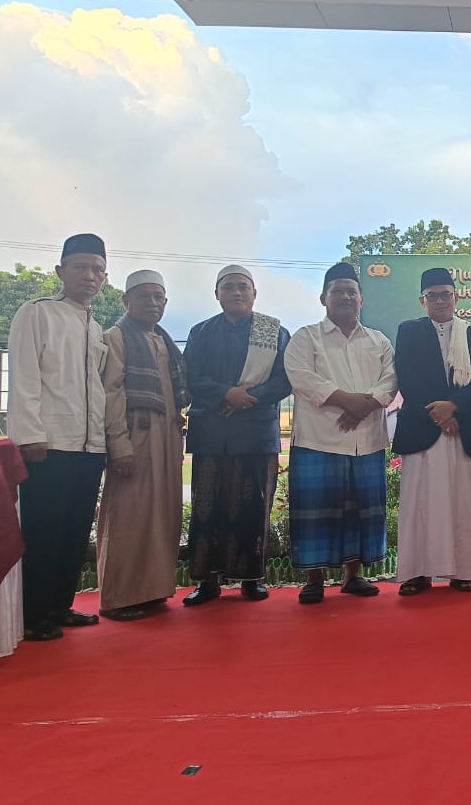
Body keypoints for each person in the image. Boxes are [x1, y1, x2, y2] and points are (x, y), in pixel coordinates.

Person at [6, 233, 110, 641]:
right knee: (43, 532)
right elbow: (25, 377)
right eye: (81, 267)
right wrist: (30, 435)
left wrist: (101, 441)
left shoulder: (95, 327)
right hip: (48, 444)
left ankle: (59, 605)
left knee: (74, 530)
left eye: (97, 270)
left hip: (89, 446)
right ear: (60, 271)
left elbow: (97, 388)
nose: (90, 276)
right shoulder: (37, 312)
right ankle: (32, 616)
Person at [284, 263, 396, 605]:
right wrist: (348, 401)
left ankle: (353, 576)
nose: (346, 297)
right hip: (319, 440)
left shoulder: (378, 340)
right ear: (323, 298)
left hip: (366, 439)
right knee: (316, 511)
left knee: (360, 510)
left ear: (361, 299)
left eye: (351, 292)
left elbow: (391, 379)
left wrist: (364, 406)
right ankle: (313, 580)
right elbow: (301, 377)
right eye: (338, 291)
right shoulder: (306, 337)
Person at [183, 265, 291, 605]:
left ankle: (251, 578)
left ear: (254, 293)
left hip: (255, 433)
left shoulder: (273, 331)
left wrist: (249, 397)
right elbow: (190, 377)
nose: (236, 292)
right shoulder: (200, 333)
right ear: (217, 294)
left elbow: (285, 379)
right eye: (228, 287)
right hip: (212, 433)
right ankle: (208, 582)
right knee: (206, 507)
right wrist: (227, 394)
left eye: (243, 287)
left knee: (253, 508)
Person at [96, 269, 190, 621]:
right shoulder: (116, 337)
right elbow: (111, 394)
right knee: (129, 514)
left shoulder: (163, 340)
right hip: (134, 436)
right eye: (144, 296)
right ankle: (118, 597)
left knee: (162, 513)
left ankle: (151, 590)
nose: (153, 303)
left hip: (166, 437)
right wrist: (119, 445)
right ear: (126, 301)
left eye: (158, 297)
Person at [392, 268, 471, 596]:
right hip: (422, 428)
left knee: (461, 502)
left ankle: (463, 571)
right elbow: (407, 377)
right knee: (419, 502)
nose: (440, 301)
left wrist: (454, 407)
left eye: (445, 294)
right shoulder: (409, 331)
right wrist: (440, 414)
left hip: (462, 430)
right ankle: (416, 572)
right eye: (432, 295)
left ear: (456, 297)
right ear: (422, 301)